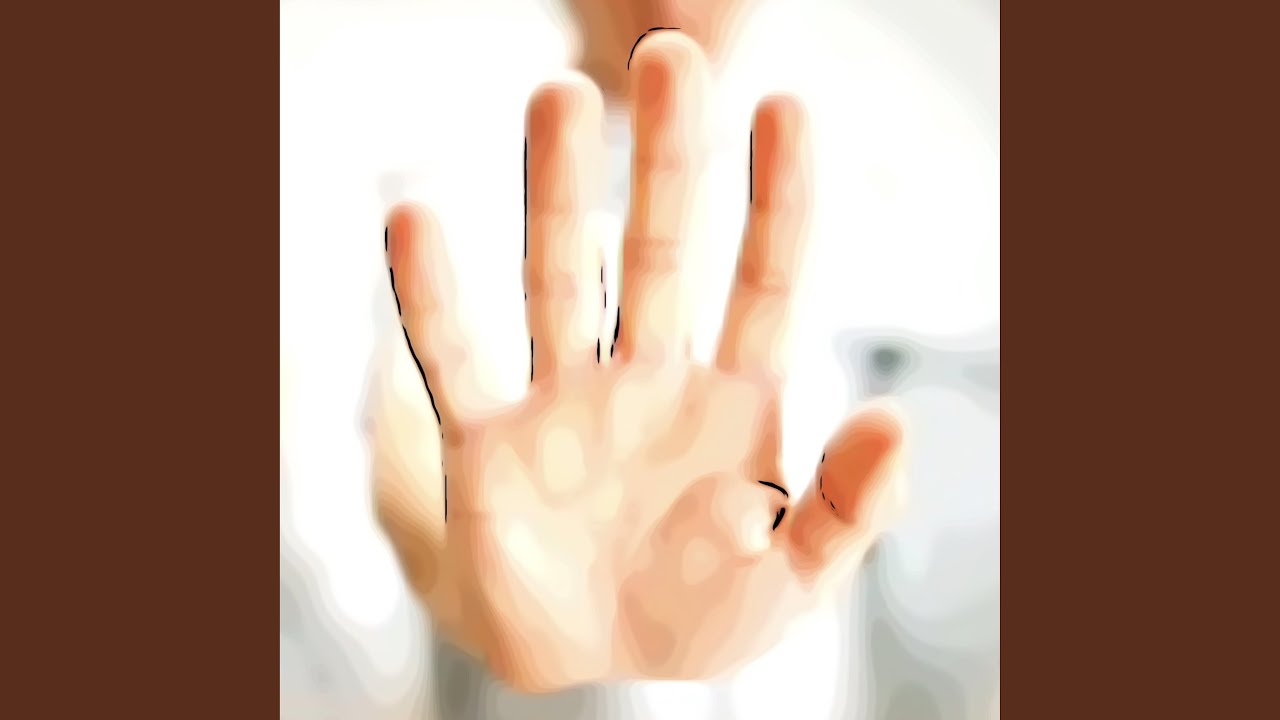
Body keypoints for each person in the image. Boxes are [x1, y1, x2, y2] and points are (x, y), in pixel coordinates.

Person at [281, 1, 999, 718]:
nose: (676, 4)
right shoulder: (440, 193)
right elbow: (400, 459)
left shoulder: (867, 195)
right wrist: (471, 586)